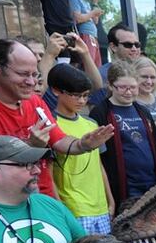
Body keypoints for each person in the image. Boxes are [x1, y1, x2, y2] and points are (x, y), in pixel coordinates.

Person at [0, 38, 114, 199]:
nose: (32, 82)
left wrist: (83, 144)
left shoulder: (34, 101)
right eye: (23, 74)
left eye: (35, 74)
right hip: (9, 202)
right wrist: (30, 146)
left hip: (44, 197)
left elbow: (59, 141)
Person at [48, 64, 116, 233]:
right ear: (57, 91)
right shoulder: (52, 124)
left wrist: (111, 200)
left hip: (100, 206)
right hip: (73, 206)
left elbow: (98, 165)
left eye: (85, 96)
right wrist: (59, 206)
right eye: (76, 95)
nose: (82, 101)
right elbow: (48, 171)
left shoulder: (91, 123)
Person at [89, 61, 156, 204]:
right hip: (123, 184)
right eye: (122, 87)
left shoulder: (143, 112)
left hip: (151, 181)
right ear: (111, 86)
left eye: (133, 87)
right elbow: (98, 156)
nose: (129, 92)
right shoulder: (100, 113)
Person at [70, 0, 103, 68]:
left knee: (96, 66)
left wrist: (95, 3)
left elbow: (95, 21)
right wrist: (92, 13)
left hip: (93, 36)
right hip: (85, 34)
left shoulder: (86, 3)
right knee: (89, 65)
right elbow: (77, 18)